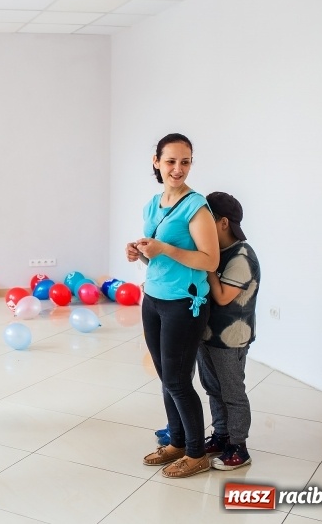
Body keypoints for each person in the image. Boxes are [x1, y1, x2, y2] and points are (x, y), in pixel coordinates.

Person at [126, 133, 219, 479]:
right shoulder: (153, 203)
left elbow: (209, 261)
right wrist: (140, 253)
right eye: (171, 161)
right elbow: (155, 257)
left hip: (185, 304)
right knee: (167, 378)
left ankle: (197, 454)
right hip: (154, 300)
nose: (178, 169)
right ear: (156, 162)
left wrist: (164, 249)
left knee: (179, 381)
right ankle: (177, 442)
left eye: (185, 161)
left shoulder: (196, 206)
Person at [198, 192, 260, 470]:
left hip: (231, 338)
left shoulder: (242, 256)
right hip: (208, 334)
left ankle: (239, 447)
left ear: (222, 222)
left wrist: (207, 264)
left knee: (232, 392)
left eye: (205, 218)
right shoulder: (217, 252)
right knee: (213, 388)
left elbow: (223, 296)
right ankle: (221, 436)